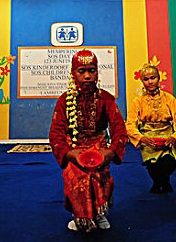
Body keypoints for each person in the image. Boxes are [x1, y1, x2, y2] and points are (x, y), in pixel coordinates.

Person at [49, 50, 127, 232]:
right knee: (75, 177)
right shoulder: (64, 101)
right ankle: (80, 216)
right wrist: (69, 153)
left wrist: (111, 151)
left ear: (97, 72)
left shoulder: (106, 98)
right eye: (82, 71)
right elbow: (56, 134)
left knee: (100, 177)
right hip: (75, 149)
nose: (87, 76)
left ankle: (99, 214)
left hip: (99, 148)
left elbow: (119, 129)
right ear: (73, 73)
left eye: (91, 70)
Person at [126, 63, 176, 193]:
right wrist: (142, 138)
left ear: (158, 78)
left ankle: (162, 181)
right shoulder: (138, 101)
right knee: (152, 166)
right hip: (148, 138)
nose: (150, 82)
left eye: (153, 78)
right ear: (142, 81)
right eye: (146, 79)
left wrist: (174, 137)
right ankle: (159, 182)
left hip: (166, 136)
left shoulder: (169, 98)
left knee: (168, 163)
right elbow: (130, 124)